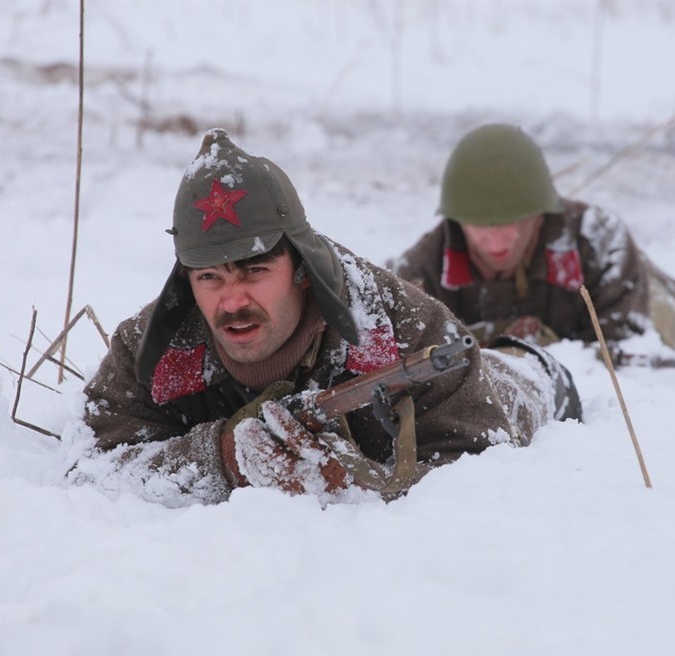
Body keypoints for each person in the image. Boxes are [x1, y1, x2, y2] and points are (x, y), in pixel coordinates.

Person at [67, 128, 580, 507]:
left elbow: (485, 470)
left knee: (523, 372)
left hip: (522, 384)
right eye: (209, 277)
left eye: (255, 269)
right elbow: (91, 470)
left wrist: (355, 488)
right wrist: (223, 458)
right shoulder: (149, 350)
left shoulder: (404, 328)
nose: (232, 300)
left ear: (302, 268)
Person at [390, 123, 675, 353]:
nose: (498, 242)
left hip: (642, 294)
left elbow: (627, 354)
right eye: (481, 227)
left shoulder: (599, 242)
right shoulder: (421, 269)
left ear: (541, 215)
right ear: (456, 221)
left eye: (514, 223)